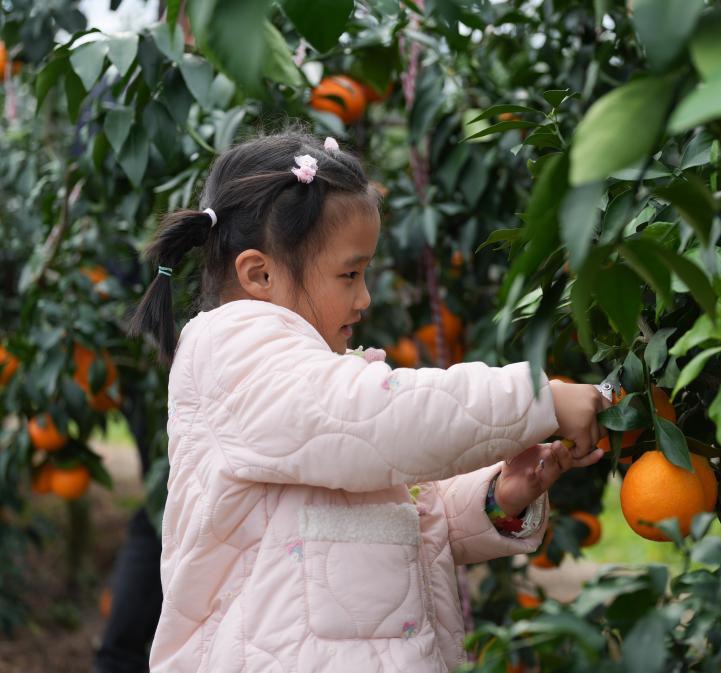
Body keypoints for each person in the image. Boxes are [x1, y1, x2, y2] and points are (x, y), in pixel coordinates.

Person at [127, 130, 610, 673]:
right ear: (259, 274)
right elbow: (379, 418)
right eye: (349, 274)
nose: (365, 298)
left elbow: (404, 519)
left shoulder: (319, 387)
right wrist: (534, 398)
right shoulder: (234, 351)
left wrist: (500, 495)